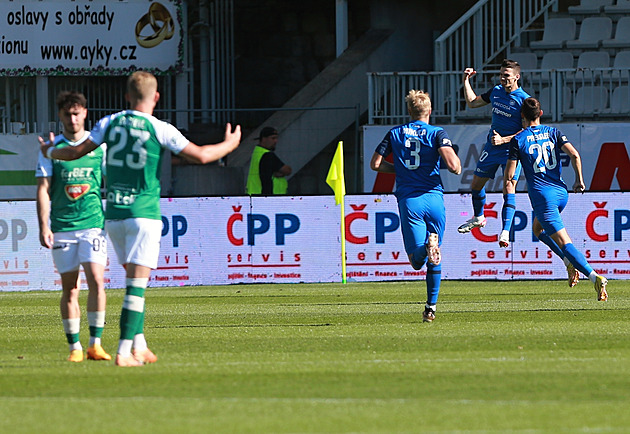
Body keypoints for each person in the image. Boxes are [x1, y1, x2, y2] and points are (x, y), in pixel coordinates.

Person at [39, 71, 242, 366]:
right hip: (143, 214)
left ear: (126, 97)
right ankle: (124, 352)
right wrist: (230, 144)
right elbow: (201, 155)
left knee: (135, 279)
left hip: (114, 217)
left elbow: (75, 151)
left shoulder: (109, 122)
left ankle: (141, 344)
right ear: (156, 97)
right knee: (137, 285)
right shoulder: (159, 127)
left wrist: (50, 150)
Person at [370, 90, 461, 323]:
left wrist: (400, 169)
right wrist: (455, 164)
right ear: (429, 110)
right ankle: (430, 308)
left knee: (416, 260)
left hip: (410, 199)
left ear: (409, 111)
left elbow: (376, 164)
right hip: (434, 198)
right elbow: (453, 166)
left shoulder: (395, 133)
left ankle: (427, 246)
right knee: (435, 258)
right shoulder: (437, 133)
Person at [505, 97, 608, 301]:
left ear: (522, 116)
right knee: (537, 229)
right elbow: (575, 155)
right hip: (561, 193)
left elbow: (509, 176)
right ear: (541, 114)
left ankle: (594, 276)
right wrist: (579, 181)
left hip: (543, 197)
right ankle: (567, 262)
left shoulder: (519, 139)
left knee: (564, 242)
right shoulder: (553, 132)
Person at [35, 91, 112, 362]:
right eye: (67, 113)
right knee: (70, 288)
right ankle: (74, 348)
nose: (72, 118)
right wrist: (44, 225)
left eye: (77, 112)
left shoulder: (98, 147)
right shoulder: (51, 151)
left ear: (85, 113)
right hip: (63, 227)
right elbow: (43, 189)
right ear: (60, 116)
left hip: (93, 225)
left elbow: (111, 181)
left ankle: (95, 343)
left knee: (97, 281)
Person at [458, 59, 530, 249]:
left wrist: (504, 140)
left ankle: (505, 231)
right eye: (501, 75)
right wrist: (466, 80)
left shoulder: (524, 99)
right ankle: (479, 217)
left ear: (517, 76)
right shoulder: (496, 91)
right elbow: (473, 103)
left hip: (512, 150)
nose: (503, 79)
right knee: (475, 184)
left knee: (508, 186)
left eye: (506, 75)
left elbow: (528, 130)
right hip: (492, 147)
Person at [246, 126, 292, 195]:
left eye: (276, 138)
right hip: (266, 197)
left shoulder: (257, 152)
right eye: (273, 138)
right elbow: (287, 170)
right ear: (264, 139)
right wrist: (281, 173)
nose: (275, 141)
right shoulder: (267, 155)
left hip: (255, 193)